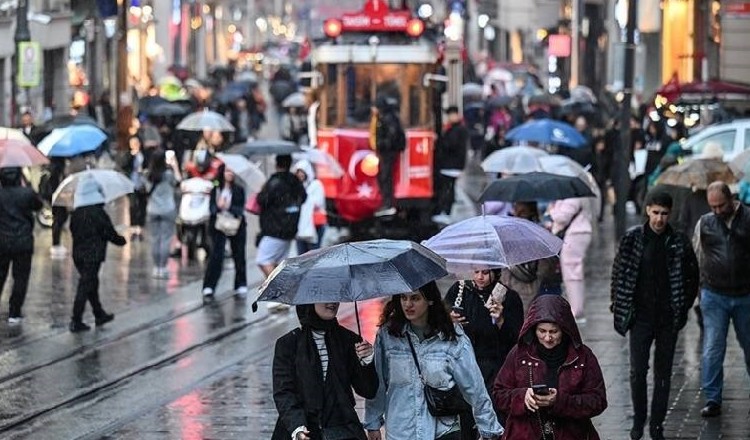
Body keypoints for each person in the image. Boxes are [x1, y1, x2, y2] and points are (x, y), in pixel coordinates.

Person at [364, 281, 504, 440]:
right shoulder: (388, 336)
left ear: (430, 300)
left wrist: (488, 427)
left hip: (442, 430)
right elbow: (378, 383)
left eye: (415, 298)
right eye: (403, 298)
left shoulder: (451, 337)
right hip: (401, 430)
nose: (408, 304)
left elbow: (474, 386)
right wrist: (372, 422)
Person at [610, 190, 699, 440]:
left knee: (663, 373)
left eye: (664, 214)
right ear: (648, 210)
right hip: (640, 317)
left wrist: (683, 306)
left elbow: (692, 276)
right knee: (638, 371)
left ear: (670, 214)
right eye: (656, 212)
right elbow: (618, 273)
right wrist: (619, 304)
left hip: (667, 317)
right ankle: (639, 420)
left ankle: (657, 424)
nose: (660, 219)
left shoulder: (679, 241)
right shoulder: (632, 239)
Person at [492, 295, 607, 440]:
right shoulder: (518, 354)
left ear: (564, 330)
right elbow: (499, 394)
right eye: (542, 331)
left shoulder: (583, 356)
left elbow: (598, 400)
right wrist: (523, 397)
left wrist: (559, 401)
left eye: (553, 332)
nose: (547, 338)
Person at [272, 303, 379, 440]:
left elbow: (368, 390)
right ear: (310, 301)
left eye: (335, 296)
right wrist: (297, 426)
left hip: (342, 431)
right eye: (324, 297)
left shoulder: (348, 340)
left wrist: (367, 361)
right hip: (302, 432)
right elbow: (283, 392)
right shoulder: (289, 343)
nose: (332, 302)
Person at [693, 181, 750, 418]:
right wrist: (697, 292)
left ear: (731, 199)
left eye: (721, 205)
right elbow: (696, 254)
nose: (716, 211)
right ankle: (713, 397)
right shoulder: (705, 223)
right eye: (712, 206)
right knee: (712, 348)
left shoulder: (748, 217)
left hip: (745, 293)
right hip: (714, 293)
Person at [445, 269, 524, 439]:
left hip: (495, 368)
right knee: (466, 418)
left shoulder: (509, 297)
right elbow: (441, 329)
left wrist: (501, 320)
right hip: (464, 366)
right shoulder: (459, 291)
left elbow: (517, 340)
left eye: (485, 272)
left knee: (494, 417)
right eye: (476, 272)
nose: (480, 277)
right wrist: (448, 320)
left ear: (495, 273)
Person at [69, 176, 127, 332]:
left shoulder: (77, 213)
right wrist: (121, 240)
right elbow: (108, 231)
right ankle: (76, 319)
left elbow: (73, 230)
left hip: (78, 254)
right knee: (86, 284)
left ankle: (98, 313)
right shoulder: (97, 213)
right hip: (93, 254)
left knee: (90, 283)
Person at [257, 155, 307, 309]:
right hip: (290, 228)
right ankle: (281, 295)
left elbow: (262, 200)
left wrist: (263, 189)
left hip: (274, 228)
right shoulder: (295, 182)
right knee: (278, 262)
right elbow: (303, 197)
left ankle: (279, 294)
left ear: (277, 164)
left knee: (263, 260)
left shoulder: (274, 182)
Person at [0, 168, 42, 325]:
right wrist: (29, 185)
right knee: (20, 278)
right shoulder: (27, 193)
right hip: (23, 242)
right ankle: (14, 312)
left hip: (2, 241)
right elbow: (38, 205)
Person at [201, 169, 248, 300]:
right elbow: (211, 208)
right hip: (218, 225)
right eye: (227, 171)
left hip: (235, 224)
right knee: (216, 255)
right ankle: (209, 285)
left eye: (232, 171)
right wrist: (218, 206)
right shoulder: (216, 188)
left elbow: (240, 209)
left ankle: (240, 283)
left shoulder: (239, 189)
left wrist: (229, 207)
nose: (230, 173)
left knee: (239, 254)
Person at [547, 197, 593, 322]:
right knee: (572, 272)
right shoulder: (573, 195)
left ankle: (576, 310)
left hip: (575, 234)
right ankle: (575, 308)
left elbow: (562, 217)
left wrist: (552, 209)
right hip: (577, 233)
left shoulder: (572, 196)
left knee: (572, 272)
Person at [146, 149, 182, 279]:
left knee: (155, 239)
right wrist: (174, 166)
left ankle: (156, 267)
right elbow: (178, 182)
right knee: (166, 239)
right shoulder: (168, 175)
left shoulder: (148, 175)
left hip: (152, 209)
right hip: (168, 208)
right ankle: (163, 267)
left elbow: (144, 189)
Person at [433, 106, 468, 225]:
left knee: (448, 189)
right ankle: (446, 212)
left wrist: (440, 139)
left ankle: (446, 212)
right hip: (452, 165)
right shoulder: (456, 128)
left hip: (451, 165)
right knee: (449, 188)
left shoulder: (457, 130)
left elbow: (450, 145)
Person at [371, 96, 405, 217]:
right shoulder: (385, 117)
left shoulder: (387, 118)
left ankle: (388, 203)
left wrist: (382, 144)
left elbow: (392, 135)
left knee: (386, 177)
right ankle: (386, 203)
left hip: (388, 152)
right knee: (383, 176)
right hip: (386, 152)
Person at [292, 160, 326, 255]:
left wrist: (306, 200)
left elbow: (318, 203)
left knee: (314, 255)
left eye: (302, 172)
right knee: (301, 256)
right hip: (300, 228)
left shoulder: (316, 185)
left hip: (315, 226)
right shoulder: (296, 187)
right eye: (298, 172)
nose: (300, 175)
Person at [118, 135, 148, 241]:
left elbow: (149, 166)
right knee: (133, 206)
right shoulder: (128, 155)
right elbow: (123, 165)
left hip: (142, 184)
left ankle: (140, 229)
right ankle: (133, 229)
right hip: (131, 183)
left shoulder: (144, 155)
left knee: (142, 207)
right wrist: (131, 156)